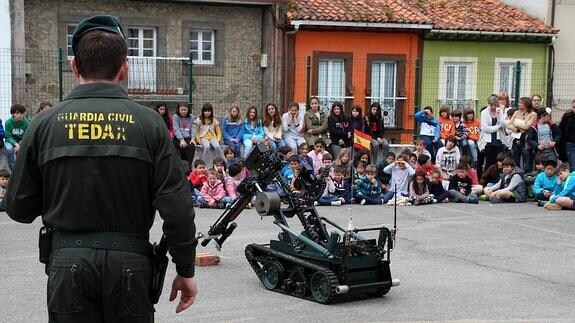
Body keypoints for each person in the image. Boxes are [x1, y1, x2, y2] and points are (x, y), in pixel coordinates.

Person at [4, 15, 197, 322]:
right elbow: (177, 207)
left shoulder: (44, 123)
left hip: (68, 265)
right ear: (124, 69)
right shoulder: (151, 124)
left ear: (74, 67)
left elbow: (18, 208)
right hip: (131, 265)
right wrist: (185, 268)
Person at [478, 94, 507, 175]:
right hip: (488, 141)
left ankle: (498, 179)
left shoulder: (499, 111)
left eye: (495, 105)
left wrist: (499, 117)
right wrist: (497, 127)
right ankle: (487, 179)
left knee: (499, 162)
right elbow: (485, 128)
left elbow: (503, 124)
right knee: (489, 163)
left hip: (499, 140)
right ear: (489, 104)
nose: (494, 107)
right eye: (492, 105)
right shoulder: (484, 112)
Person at [507, 97, 537, 172]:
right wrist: (516, 129)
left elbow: (527, 126)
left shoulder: (533, 114)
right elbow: (509, 124)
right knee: (515, 162)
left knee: (526, 164)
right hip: (515, 138)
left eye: (521, 103)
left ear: (526, 104)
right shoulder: (516, 112)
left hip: (525, 140)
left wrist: (516, 122)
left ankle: (527, 178)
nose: (519, 104)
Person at [4, 103, 29, 170]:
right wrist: (15, 144)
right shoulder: (8, 123)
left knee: (22, 150)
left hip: (21, 141)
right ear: (12, 114)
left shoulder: (26, 123)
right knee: (9, 149)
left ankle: (22, 168)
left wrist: (19, 144)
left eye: (21, 113)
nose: (20, 115)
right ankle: (13, 169)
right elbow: (8, 136)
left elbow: (26, 136)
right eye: (17, 113)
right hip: (10, 141)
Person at [558, 99, 575, 170]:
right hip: (570, 144)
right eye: (574, 107)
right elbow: (561, 129)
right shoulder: (567, 116)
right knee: (573, 166)